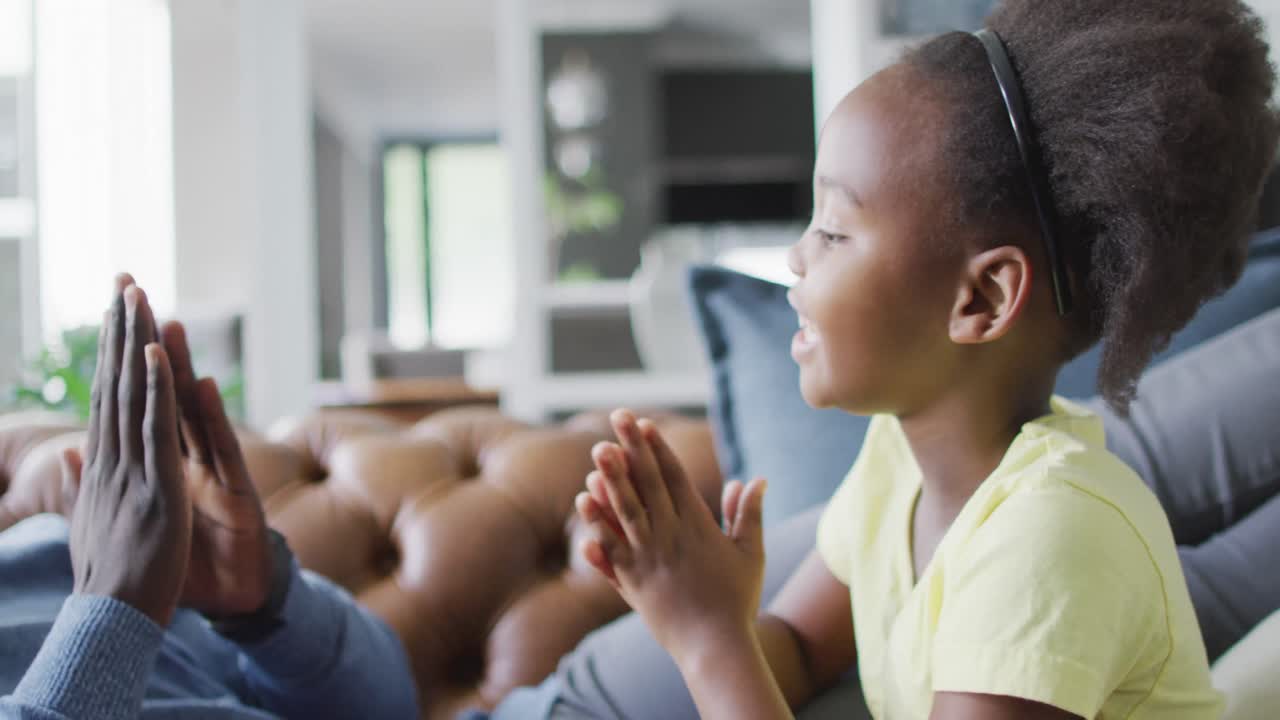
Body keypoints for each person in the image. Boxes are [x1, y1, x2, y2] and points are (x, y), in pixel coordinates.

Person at [568, 1, 1280, 719]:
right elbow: (801, 649)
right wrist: (697, 601)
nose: (797, 255)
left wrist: (708, 640)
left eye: (834, 231)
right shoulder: (899, 463)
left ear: (982, 298)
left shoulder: (1047, 538)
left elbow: (739, 657)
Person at [0, 275, 419, 719]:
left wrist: (264, 605)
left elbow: (393, 706)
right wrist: (110, 608)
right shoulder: (97, 564)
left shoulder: (55, 551)